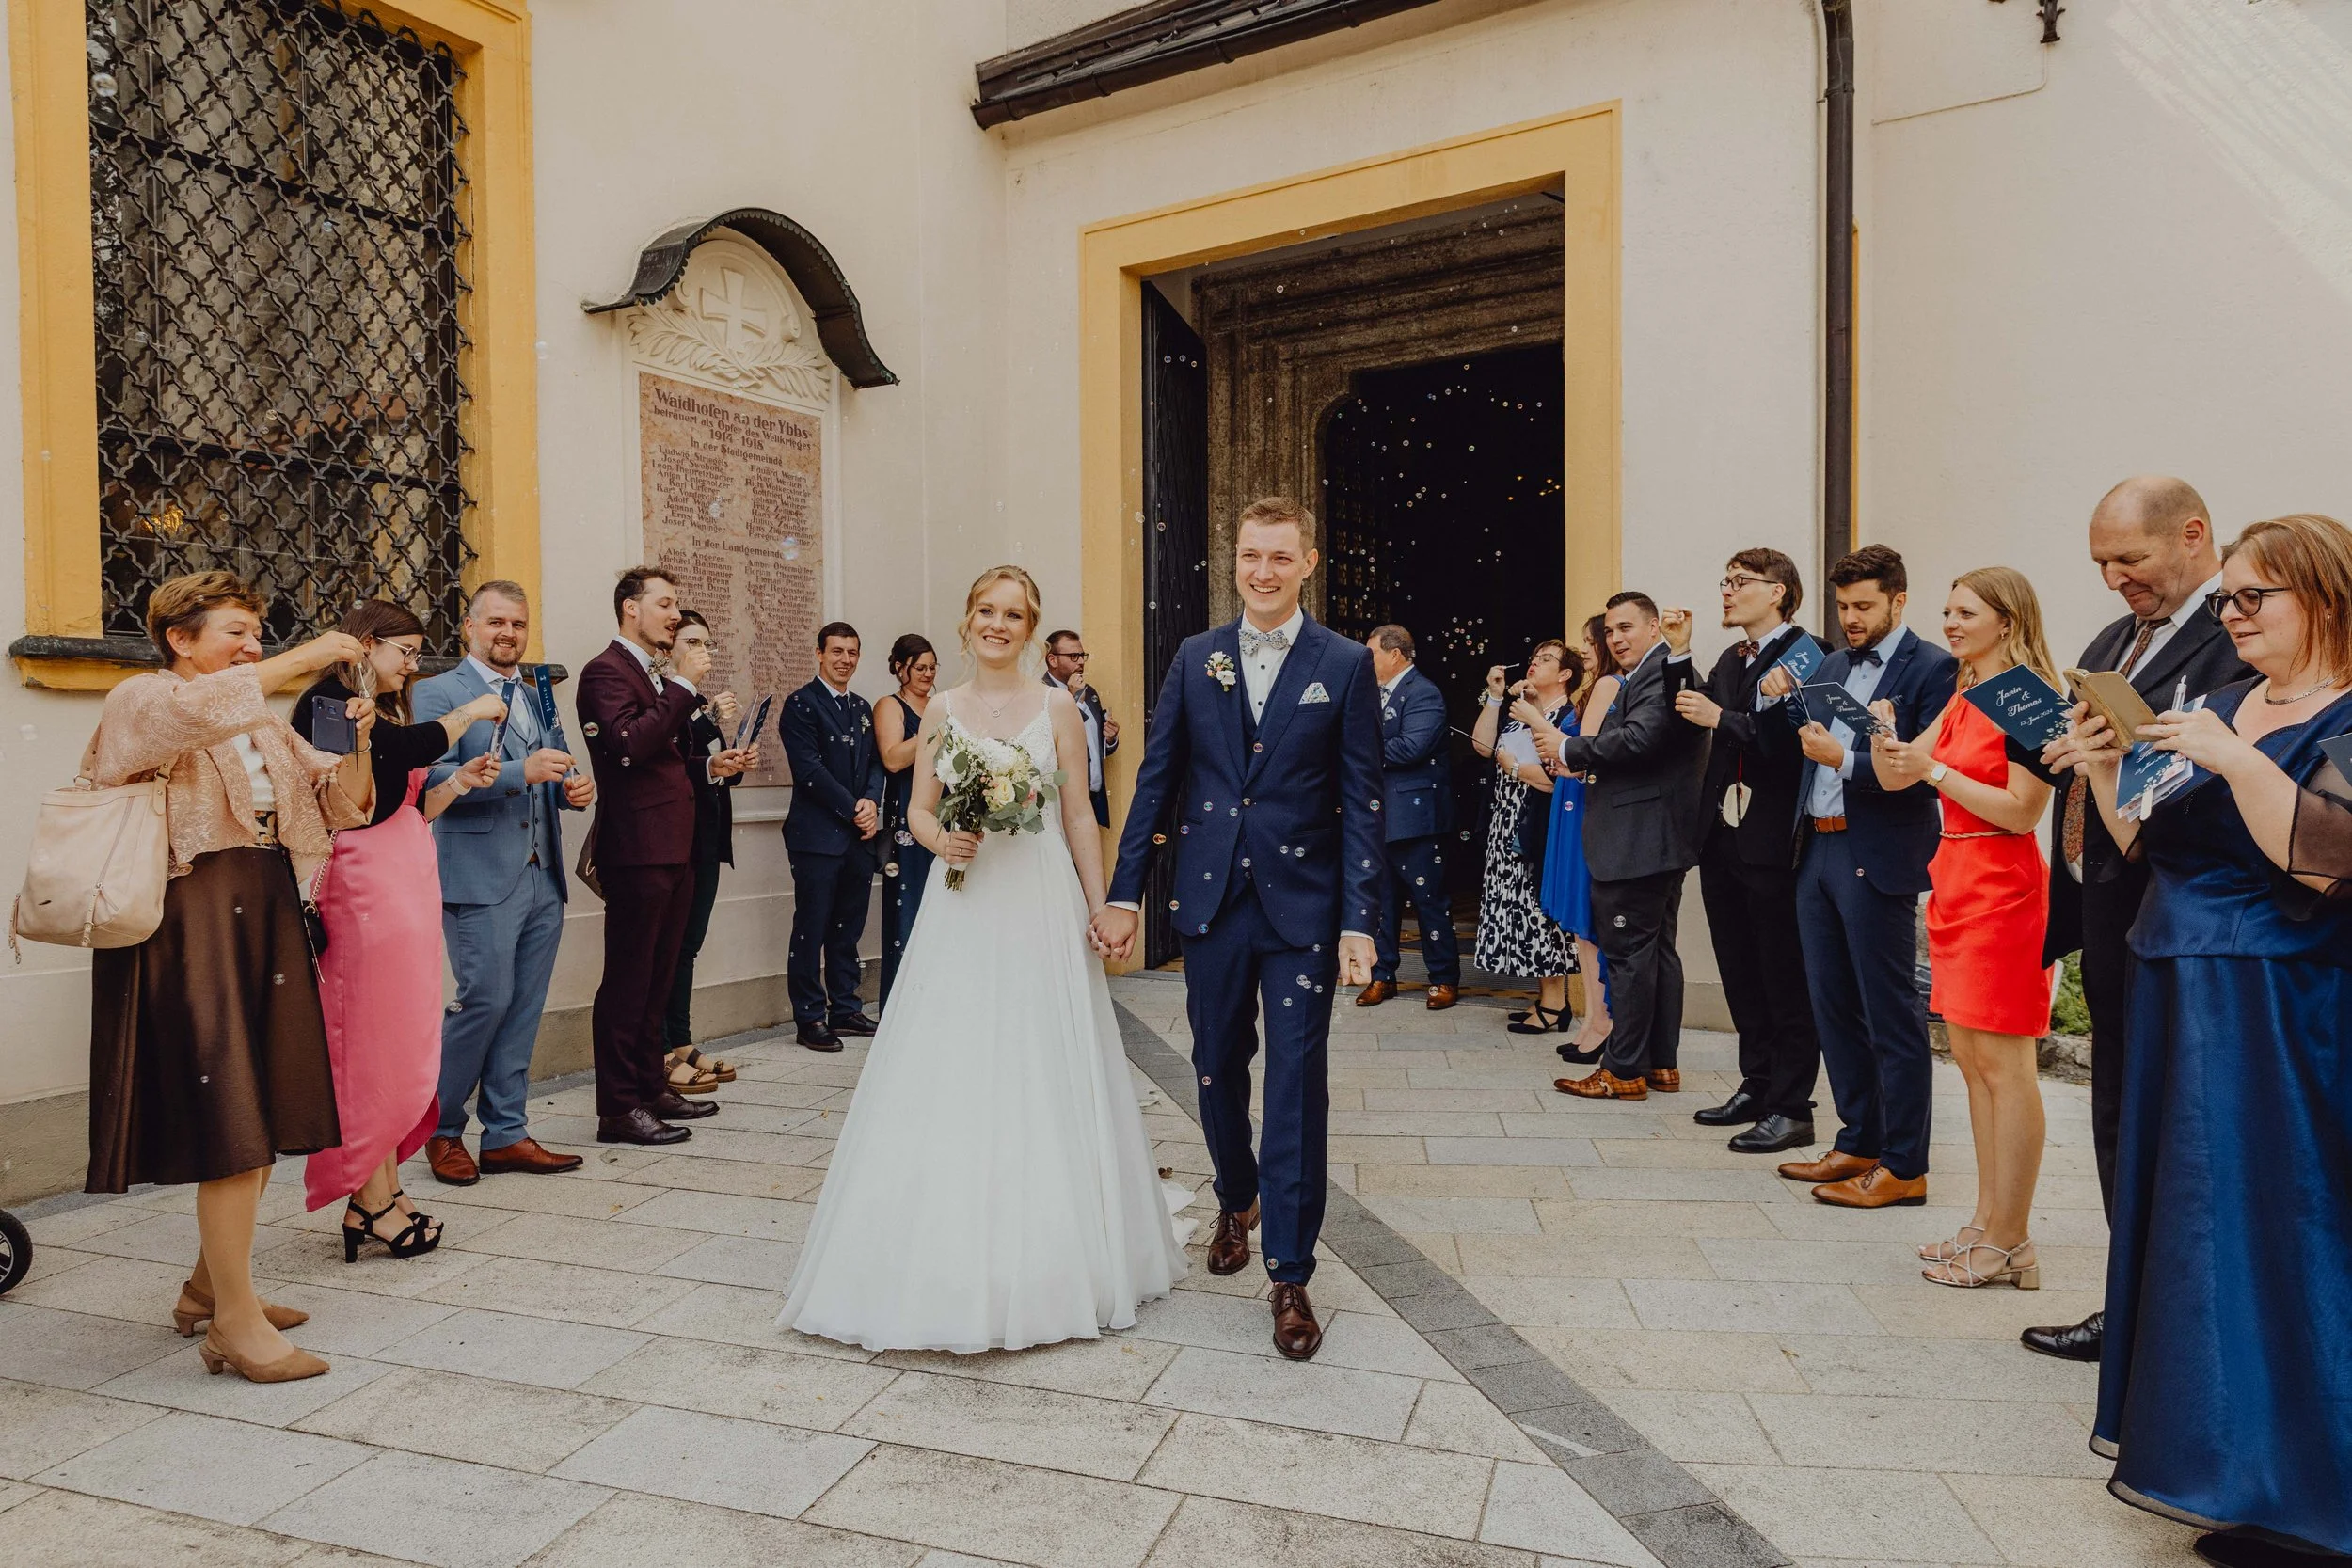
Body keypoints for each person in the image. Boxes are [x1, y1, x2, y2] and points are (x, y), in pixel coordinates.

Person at [780, 566, 1186, 1352]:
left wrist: (1103, 904)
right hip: (964, 903)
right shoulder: (940, 708)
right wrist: (943, 840)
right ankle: (942, 1239)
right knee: (955, 1053)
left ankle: (1057, 1246)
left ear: (1029, 628)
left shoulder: (1056, 707)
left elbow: (1077, 813)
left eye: (1014, 615)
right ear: (967, 620)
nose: (999, 625)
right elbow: (919, 810)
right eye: (987, 611)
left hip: (1038, 897)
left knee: (1041, 1052)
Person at [2052, 515, 2352, 1568]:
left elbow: (2321, 862)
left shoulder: (2342, 713)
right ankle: (2231, 1467)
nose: (2231, 616)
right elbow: (2143, 836)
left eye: (2252, 597)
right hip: (2175, 984)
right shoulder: (2218, 701)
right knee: (2194, 1232)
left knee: (2282, 1223)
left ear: (2324, 595)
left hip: (2279, 1003)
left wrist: (2237, 761)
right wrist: (2102, 768)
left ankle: (2314, 1497)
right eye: (2225, 598)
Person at [1094, 495, 1385, 1362]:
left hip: (1303, 907)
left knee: (1296, 1084)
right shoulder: (1197, 655)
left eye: (1280, 556)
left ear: (1307, 563)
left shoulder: (1345, 663)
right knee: (1216, 1065)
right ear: (1235, 560)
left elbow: (1363, 800)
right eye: (1251, 556)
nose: (1263, 571)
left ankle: (1290, 1272)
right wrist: (1125, 893)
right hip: (1212, 899)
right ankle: (1235, 1195)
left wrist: (1361, 920)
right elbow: (1157, 779)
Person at [85, 571, 377, 1383]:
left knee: (262, 1103)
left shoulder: (261, 722)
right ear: (179, 639)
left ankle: (211, 1287)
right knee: (229, 1120)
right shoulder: (143, 697)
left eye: (258, 632)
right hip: (190, 918)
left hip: (262, 906)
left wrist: (360, 739)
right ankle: (232, 1326)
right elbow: (191, 716)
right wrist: (307, 654)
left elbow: (341, 802)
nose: (253, 645)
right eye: (235, 631)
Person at [2020, 476, 2245, 1363]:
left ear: (2193, 534)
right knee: (2118, 1112)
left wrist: (2123, 752)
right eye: (2101, 564)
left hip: (2179, 907)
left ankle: (2174, 1320)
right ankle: (2132, 1306)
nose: (2114, 579)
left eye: (2129, 558)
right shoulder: (2114, 639)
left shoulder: (2237, 638)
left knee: (2175, 1124)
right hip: (2107, 906)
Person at [290, 602, 506, 1258]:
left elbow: (406, 802)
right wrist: (471, 712)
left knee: (396, 1040)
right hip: (363, 889)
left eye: (416, 653)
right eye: (405, 651)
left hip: (404, 882)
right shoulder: (328, 704)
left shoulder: (378, 708)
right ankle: (368, 1195)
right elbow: (374, 788)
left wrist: (458, 782)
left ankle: (381, 1188)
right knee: (368, 1042)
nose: (412, 665)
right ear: (364, 644)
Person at [1867, 568, 2058, 1286]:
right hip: (1955, 878)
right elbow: (1899, 776)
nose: (1949, 623)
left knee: (2006, 1067)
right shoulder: (1962, 693)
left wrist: (1935, 772)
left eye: (1965, 612)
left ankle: (2012, 1238)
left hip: (2003, 888)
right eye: (1947, 611)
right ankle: (1986, 1221)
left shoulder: (2031, 697)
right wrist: (1883, 735)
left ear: (2007, 619)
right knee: (1974, 1065)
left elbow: (2023, 809)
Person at [1769, 545, 1959, 1207]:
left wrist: (1843, 758)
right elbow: (1808, 742)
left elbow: (1925, 775)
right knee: (1833, 1006)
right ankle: (1857, 1141)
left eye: (1864, 606)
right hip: (1816, 846)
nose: (1850, 618)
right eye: (1843, 606)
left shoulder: (1934, 668)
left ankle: (1904, 1164)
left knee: (1890, 1012)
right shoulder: (1830, 663)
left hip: (1877, 850)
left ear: (1898, 601)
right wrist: (1789, 704)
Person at [412, 581, 596, 1184]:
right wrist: (522, 771)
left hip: (543, 874)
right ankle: (440, 1129)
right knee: (484, 1000)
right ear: (469, 627)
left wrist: (571, 791)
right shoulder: (438, 691)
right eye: (495, 622)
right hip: (479, 873)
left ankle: (506, 1134)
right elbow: (428, 777)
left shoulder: (538, 691)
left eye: (517, 623)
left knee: (522, 1007)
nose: (508, 634)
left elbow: (554, 765)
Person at [576, 566, 757, 1145]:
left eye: (676, 604)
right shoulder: (605, 671)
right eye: (665, 604)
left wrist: (708, 766)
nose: (675, 614)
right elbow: (628, 746)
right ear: (630, 608)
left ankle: (651, 1086)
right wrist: (681, 686)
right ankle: (617, 1109)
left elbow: (664, 759)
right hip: (637, 848)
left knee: (658, 977)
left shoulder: (650, 671)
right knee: (628, 980)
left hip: (675, 845)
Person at [1674, 551, 1826, 1152]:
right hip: (1723, 835)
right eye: (1726, 581)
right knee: (1739, 969)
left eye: (1741, 582)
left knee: (1782, 973)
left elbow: (1789, 744)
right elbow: (1693, 717)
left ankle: (1792, 1105)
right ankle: (1756, 1083)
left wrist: (1724, 718)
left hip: (1773, 838)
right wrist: (1680, 656)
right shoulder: (1731, 658)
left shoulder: (1809, 654)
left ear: (1778, 591)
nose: (1728, 591)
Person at [1549, 595, 1708, 1100]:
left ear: (1654, 626)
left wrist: (1568, 748)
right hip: (1652, 838)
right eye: (1610, 631)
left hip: (1638, 838)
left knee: (1629, 957)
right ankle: (1660, 1064)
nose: (1616, 639)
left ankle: (1622, 1071)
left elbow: (1640, 740)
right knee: (1655, 952)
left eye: (1626, 628)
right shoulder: (1654, 672)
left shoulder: (1662, 672)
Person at [780, 622, 886, 1049]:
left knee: (848, 927)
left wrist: (872, 801)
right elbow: (809, 771)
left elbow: (876, 762)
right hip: (817, 838)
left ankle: (845, 1008)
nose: (845, 660)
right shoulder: (801, 705)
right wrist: (854, 809)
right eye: (837, 651)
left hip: (858, 838)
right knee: (812, 926)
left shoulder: (861, 707)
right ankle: (809, 1017)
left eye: (852, 652)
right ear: (819, 653)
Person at [1469, 641, 1578, 1031]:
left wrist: (1514, 769)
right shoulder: (1521, 713)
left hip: (1539, 824)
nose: (1534, 663)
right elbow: (1482, 746)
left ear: (1565, 674)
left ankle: (1555, 1004)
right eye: (1533, 658)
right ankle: (1546, 998)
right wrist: (1495, 696)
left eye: (1546, 660)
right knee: (1521, 910)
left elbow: (1555, 779)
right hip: (1506, 823)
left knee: (1540, 909)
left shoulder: (1567, 717)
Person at [1356, 624, 1461, 1011]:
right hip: (1376, 816)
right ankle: (1382, 975)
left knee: (1428, 900)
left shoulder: (1423, 692)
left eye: (1371, 653)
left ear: (1395, 654)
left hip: (1416, 819)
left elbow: (1412, 747)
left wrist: (1356, 750)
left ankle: (1443, 978)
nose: (1366, 661)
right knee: (1379, 902)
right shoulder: (1369, 692)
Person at [660, 610, 744, 1092]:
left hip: (707, 835)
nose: (702, 651)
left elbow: (706, 763)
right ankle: (661, 1049)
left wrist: (732, 761)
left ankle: (680, 1040)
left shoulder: (695, 701)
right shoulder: (664, 696)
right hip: (677, 838)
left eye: (706, 642)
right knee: (667, 948)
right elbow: (674, 759)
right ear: (669, 645)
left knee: (687, 947)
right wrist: (707, 720)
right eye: (692, 641)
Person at [1529, 614, 1619, 1056]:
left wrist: (1534, 719)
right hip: (1571, 798)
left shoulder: (1608, 686)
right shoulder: (1595, 687)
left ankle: (1602, 1021)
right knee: (1581, 932)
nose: (1584, 648)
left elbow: (1583, 750)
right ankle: (1591, 1019)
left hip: (1582, 800)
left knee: (1589, 923)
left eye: (1589, 640)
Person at [877, 633, 939, 1006]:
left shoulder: (939, 705)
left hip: (943, 814)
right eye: (920, 668)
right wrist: (936, 728)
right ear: (901, 669)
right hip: (908, 815)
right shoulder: (891, 705)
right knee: (910, 904)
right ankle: (902, 1005)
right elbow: (893, 758)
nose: (927, 675)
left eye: (932, 668)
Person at [1043, 628, 1120, 826]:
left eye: (1082, 655)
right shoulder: (1042, 694)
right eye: (1073, 656)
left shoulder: (1090, 692)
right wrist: (1072, 698)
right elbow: (1050, 742)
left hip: (1092, 799)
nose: (1080, 662)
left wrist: (1109, 739)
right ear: (1052, 660)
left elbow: (1091, 744)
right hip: (1061, 802)